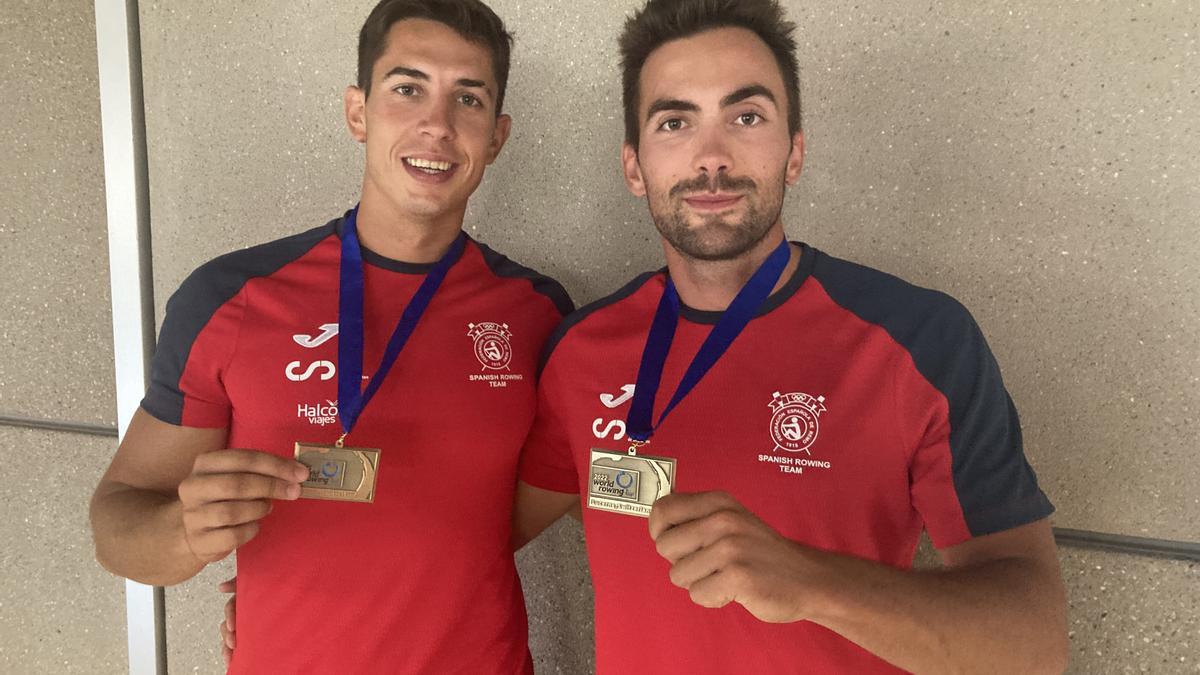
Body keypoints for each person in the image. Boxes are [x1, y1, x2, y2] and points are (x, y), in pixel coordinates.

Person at [512, 0, 1069, 672]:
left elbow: (1034, 646)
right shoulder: (581, 351)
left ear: (794, 151)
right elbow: (483, 518)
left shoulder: (918, 340)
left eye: (746, 117)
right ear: (634, 166)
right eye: (675, 121)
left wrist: (810, 580)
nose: (711, 156)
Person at [88, 0, 571, 672]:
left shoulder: (537, 314)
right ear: (358, 112)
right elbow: (117, 522)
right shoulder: (233, 295)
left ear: (496, 136)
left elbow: (499, 518)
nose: (437, 125)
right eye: (407, 89)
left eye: (469, 98)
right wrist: (185, 533)